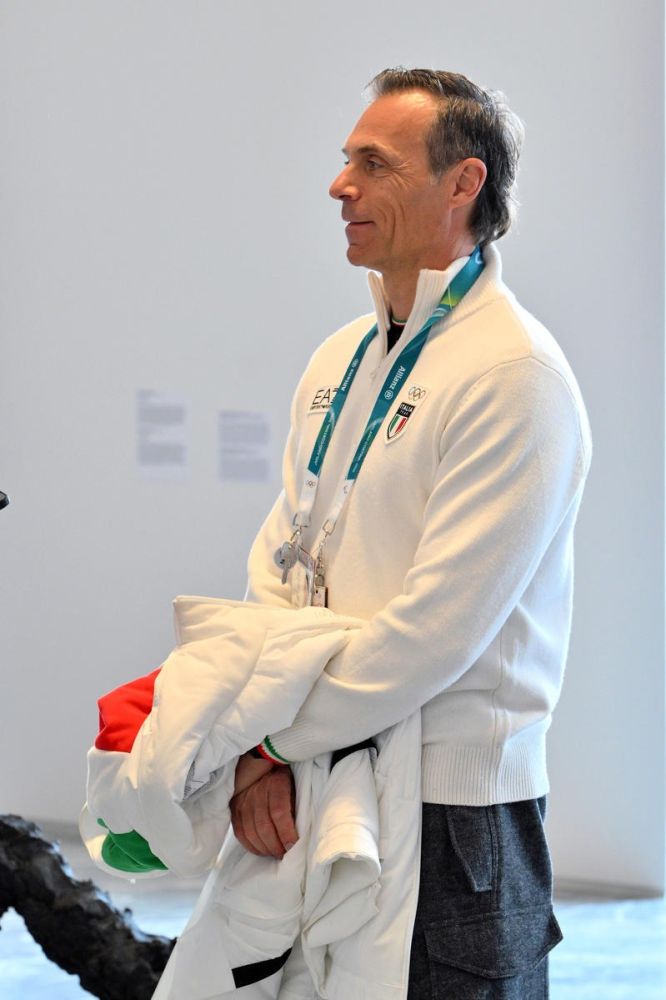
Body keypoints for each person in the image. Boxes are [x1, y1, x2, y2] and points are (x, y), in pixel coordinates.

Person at [230, 67, 592, 998]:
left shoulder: (514, 374)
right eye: (346, 160)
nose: (339, 185)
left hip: (454, 815)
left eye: (374, 163)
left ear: (463, 183)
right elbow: (279, 561)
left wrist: (270, 743)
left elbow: (435, 629)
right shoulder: (338, 358)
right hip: (314, 780)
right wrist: (262, 737)